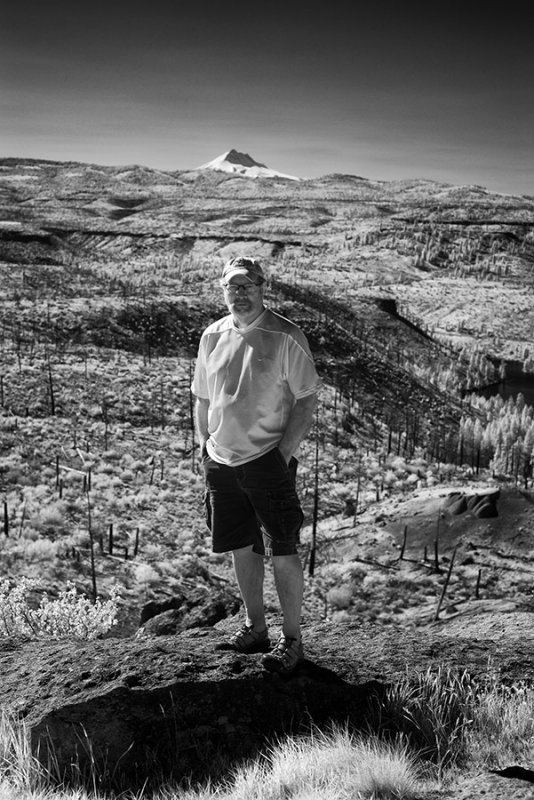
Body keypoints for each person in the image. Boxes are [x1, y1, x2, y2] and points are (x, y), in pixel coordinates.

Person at [192, 256, 320, 675]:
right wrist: (203, 447)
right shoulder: (211, 336)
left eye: (247, 285)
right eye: (232, 286)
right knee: (240, 544)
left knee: (282, 546)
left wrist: (281, 456)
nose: (240, 293)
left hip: (267, 460)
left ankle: (292, 639)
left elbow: (306, 400)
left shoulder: (286, 335)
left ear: (263, 287)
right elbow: (202, 397)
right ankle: (255, 627)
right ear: (223, 290)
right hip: (222, 460)